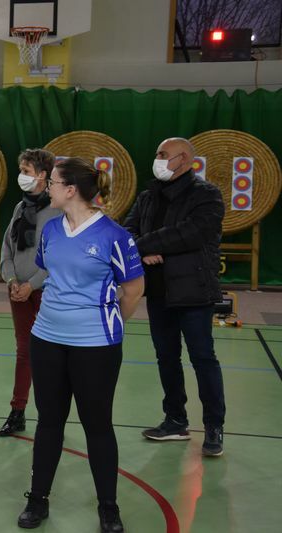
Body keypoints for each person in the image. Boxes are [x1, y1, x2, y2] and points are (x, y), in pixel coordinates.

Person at [17, 158, 144, 532]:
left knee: (97, 425)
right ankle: (37, 500)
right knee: (49, 421)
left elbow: (133, 289)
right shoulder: (51, 229)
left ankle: (108, 507)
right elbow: (50, 273)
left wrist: (107, 324)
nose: (48, 188)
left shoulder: (114, 236)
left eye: (53, 182)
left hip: (96, 346)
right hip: (47, 339)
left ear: (70, 190)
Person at [123, 137, 226, 457]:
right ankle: (175, 420)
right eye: (157, 153)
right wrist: (142, 249)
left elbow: (190, 233)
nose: (157, 158)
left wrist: (144, 244)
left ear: (184, 159)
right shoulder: (148, 196)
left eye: (163, 154)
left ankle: (214, 425)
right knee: (166, 358)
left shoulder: (207, 195)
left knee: (203, 358)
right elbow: (127, 232)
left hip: (194, 292)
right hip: (158, 292)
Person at [0, 149, 61, 436]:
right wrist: (12, 280)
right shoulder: (20, 208)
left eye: (26, 171)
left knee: (53, 355)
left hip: (48, 292)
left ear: (43, 175)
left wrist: (32, 284)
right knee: (25, 352)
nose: (21, 176)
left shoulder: (58, 211)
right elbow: (7, 248)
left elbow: (57, 256)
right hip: (18, 292)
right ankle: (17, 412)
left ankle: (53, 415)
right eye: (21, 170)